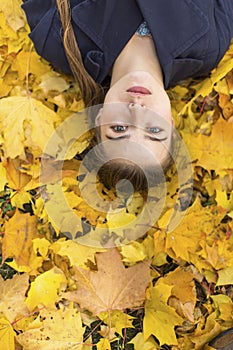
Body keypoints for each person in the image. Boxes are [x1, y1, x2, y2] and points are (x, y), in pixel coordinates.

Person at [22, 0, 233, 193]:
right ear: (171, 122)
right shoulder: (208, 47)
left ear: (99, 119)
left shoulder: (58, 40)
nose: (137, 110)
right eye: (154, 129)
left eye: (119, 128)